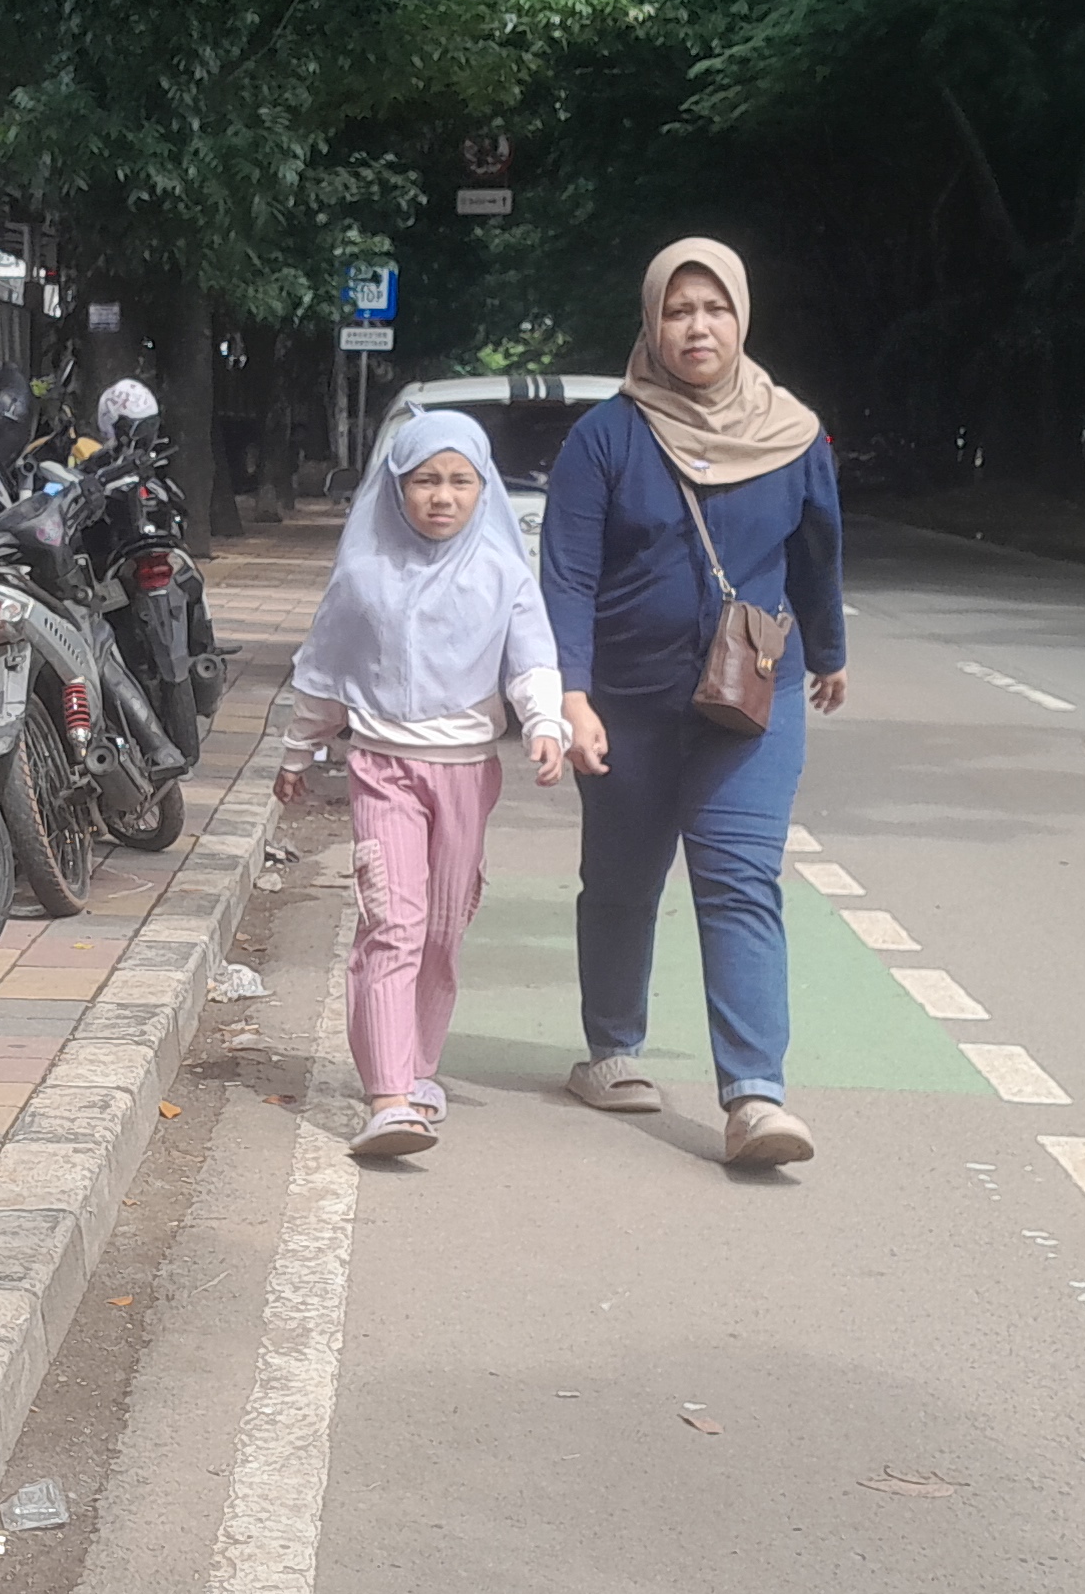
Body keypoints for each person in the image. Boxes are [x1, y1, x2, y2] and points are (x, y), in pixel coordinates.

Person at [543, 239, 848, 1168]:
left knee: (739, 878)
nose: (697, 326)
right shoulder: (608, 436)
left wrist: (829, 654)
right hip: (627, 706)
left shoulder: (793, 434)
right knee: (624, 882)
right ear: (652, 324)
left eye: (714, 308)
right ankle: (613, 1050)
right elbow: (565, 573)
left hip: (748, 702)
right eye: (678, 311)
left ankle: (754, 1098)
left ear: (742, 318)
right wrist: (571, 693)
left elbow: (817, 556)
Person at [277, 411, 569, 1159]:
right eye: (425, 481)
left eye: (460, 481)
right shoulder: (364, 575)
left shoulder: (504, 574)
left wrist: (544, 724)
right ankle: (388, 1096)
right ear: (397, 488)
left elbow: (532, 660)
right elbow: (326, 671)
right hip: (381, 767)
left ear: (483, 489)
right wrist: (297, 752)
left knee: (443, 930)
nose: (442, 497)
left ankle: (420, 1070)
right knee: (393, 924)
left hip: (469, 772)